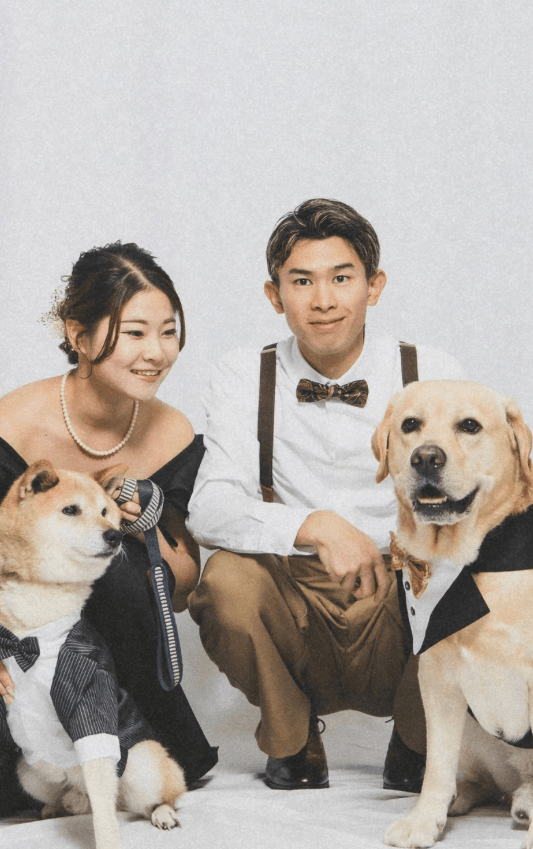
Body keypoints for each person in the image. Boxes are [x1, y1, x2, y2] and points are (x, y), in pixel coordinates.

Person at [0, 242, 218, 822]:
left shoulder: (172, 433)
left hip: (102, 640)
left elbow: (180, 587)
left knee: (116, 575)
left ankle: (89, 743)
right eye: (135, 333)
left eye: (168, 332)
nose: (156, 352)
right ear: (79, 335)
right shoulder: (14, 422)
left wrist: (137, 530)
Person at [187, 199, 463, 791]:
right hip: (294, 602)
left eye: (342, 278)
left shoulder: (431, 369)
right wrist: (319, 526)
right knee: (225, 583)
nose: (323, 300)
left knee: (471, 575)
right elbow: (208, 508)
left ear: (374, 286)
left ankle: (420, 740)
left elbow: (472, 498)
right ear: (274, 295)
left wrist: (400, 547)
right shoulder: (243, 374)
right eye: (302, 281)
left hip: (402, 599)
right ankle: (291, 740)